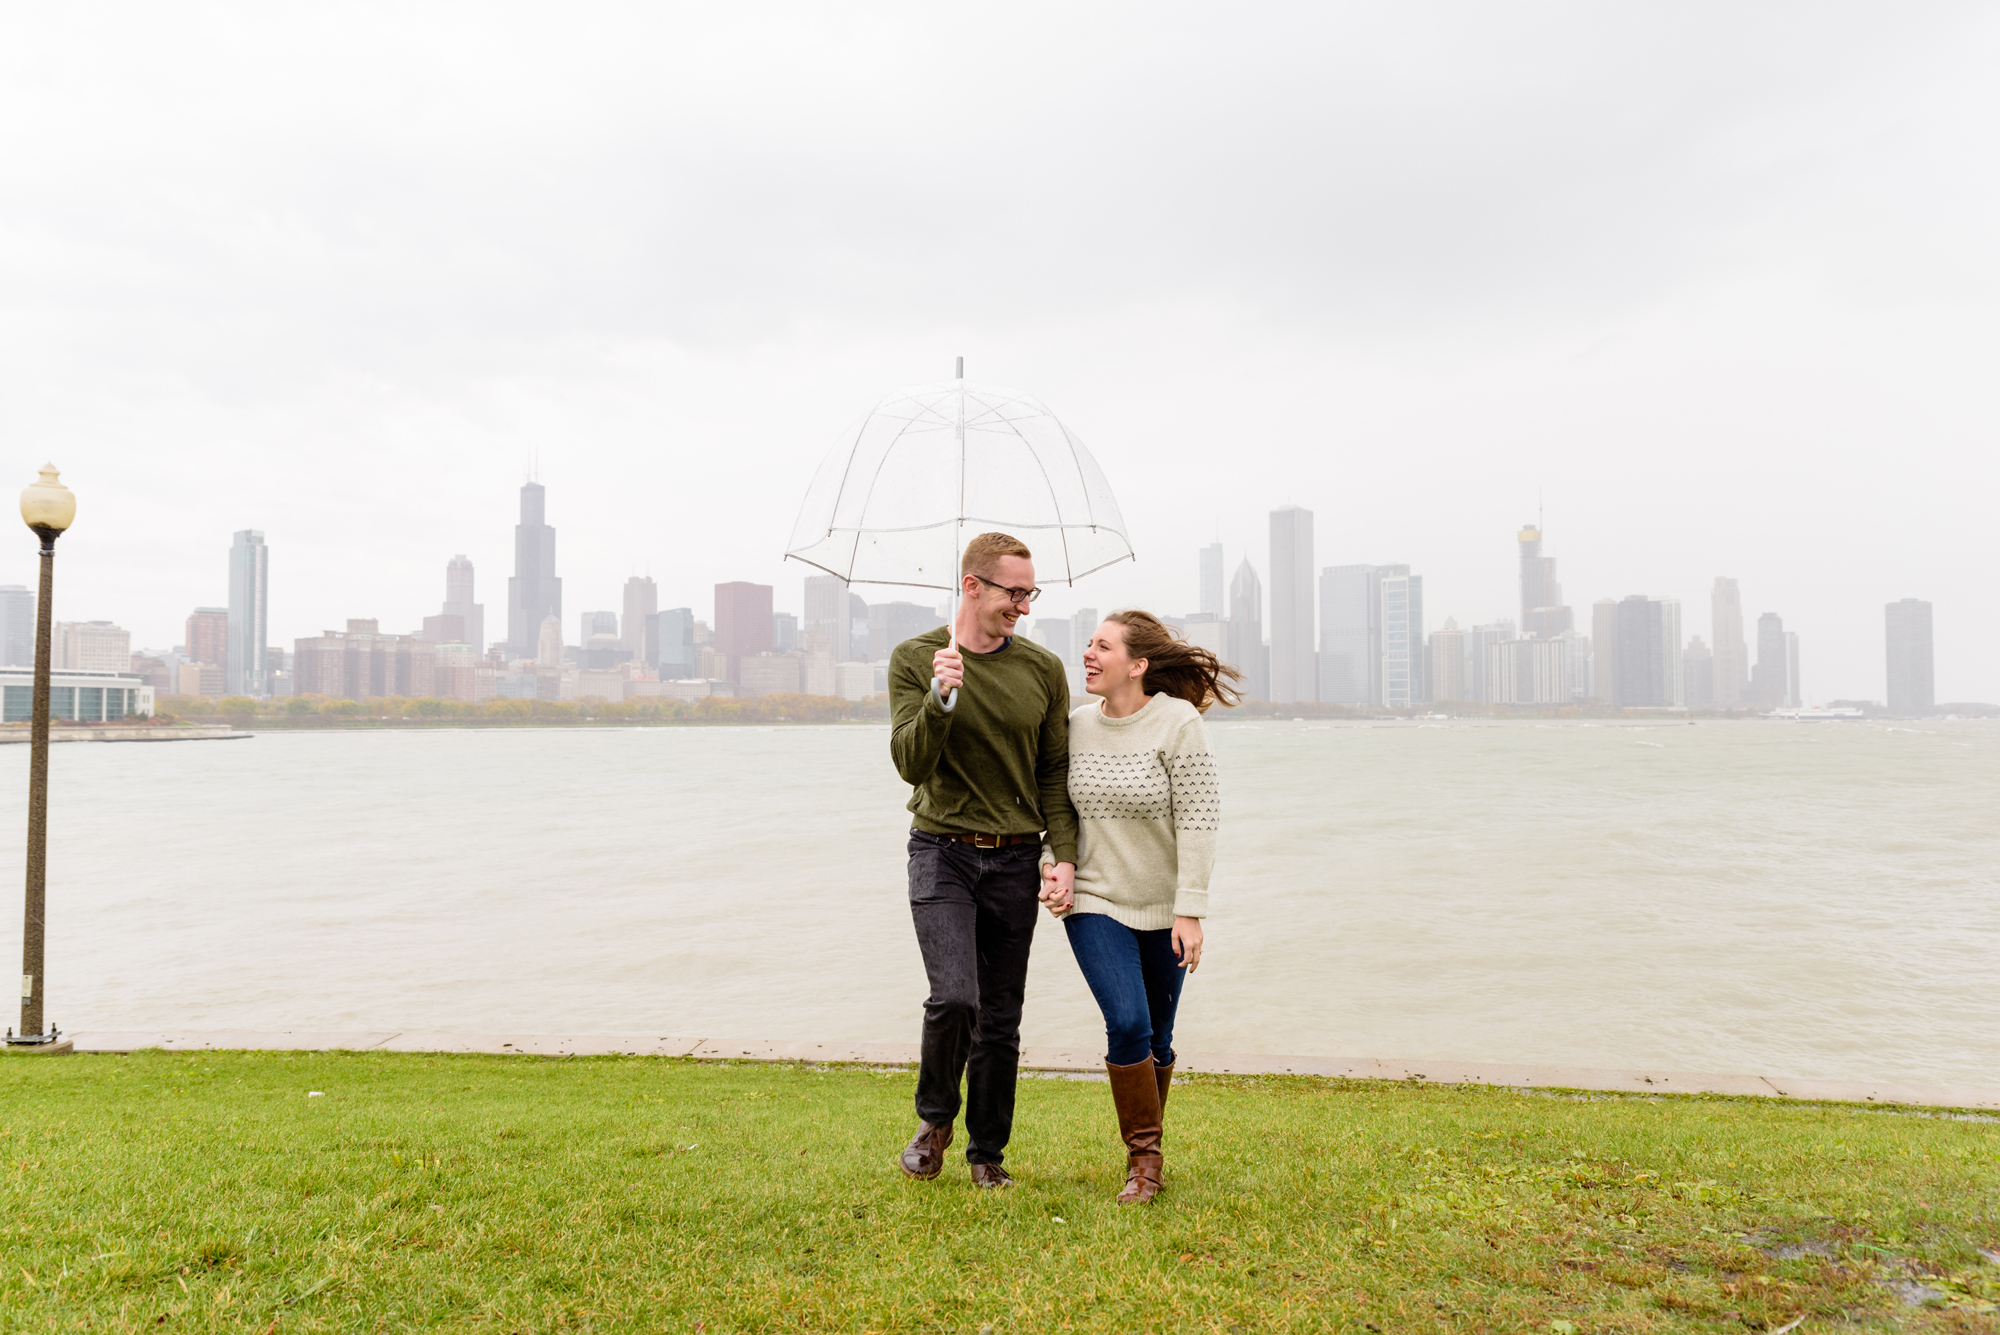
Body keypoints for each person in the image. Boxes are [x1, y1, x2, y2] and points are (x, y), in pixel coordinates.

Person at [888, 531, 1079, 1188]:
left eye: (1030, 593)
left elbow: (1054, 771)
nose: (1023, 606)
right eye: (1013, 592)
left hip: (1017, 858)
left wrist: (1063, 856)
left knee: (1001, 1016)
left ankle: (986, 1154)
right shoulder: (916, 659)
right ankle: (934, 1119)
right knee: (955, 996)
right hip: (941, 850)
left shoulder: (1042, 670)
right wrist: (942, 697)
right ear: (972, 585)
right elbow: (910, 762)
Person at [1038, 609, 1239, 1204]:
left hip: (1165, 905)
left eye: (1103, 646)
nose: (1089, 655)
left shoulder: (1177, 723)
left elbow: (1199, 819)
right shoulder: (1074, 725)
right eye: (1089, 645)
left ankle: (1144, 1152)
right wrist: (1055, 865)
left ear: (1138, 664)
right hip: (1095, 899)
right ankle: (1145, 1161)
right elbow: (1057, 808)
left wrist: (1190, 910)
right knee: (1127, 1021)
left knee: (1158, 1035)